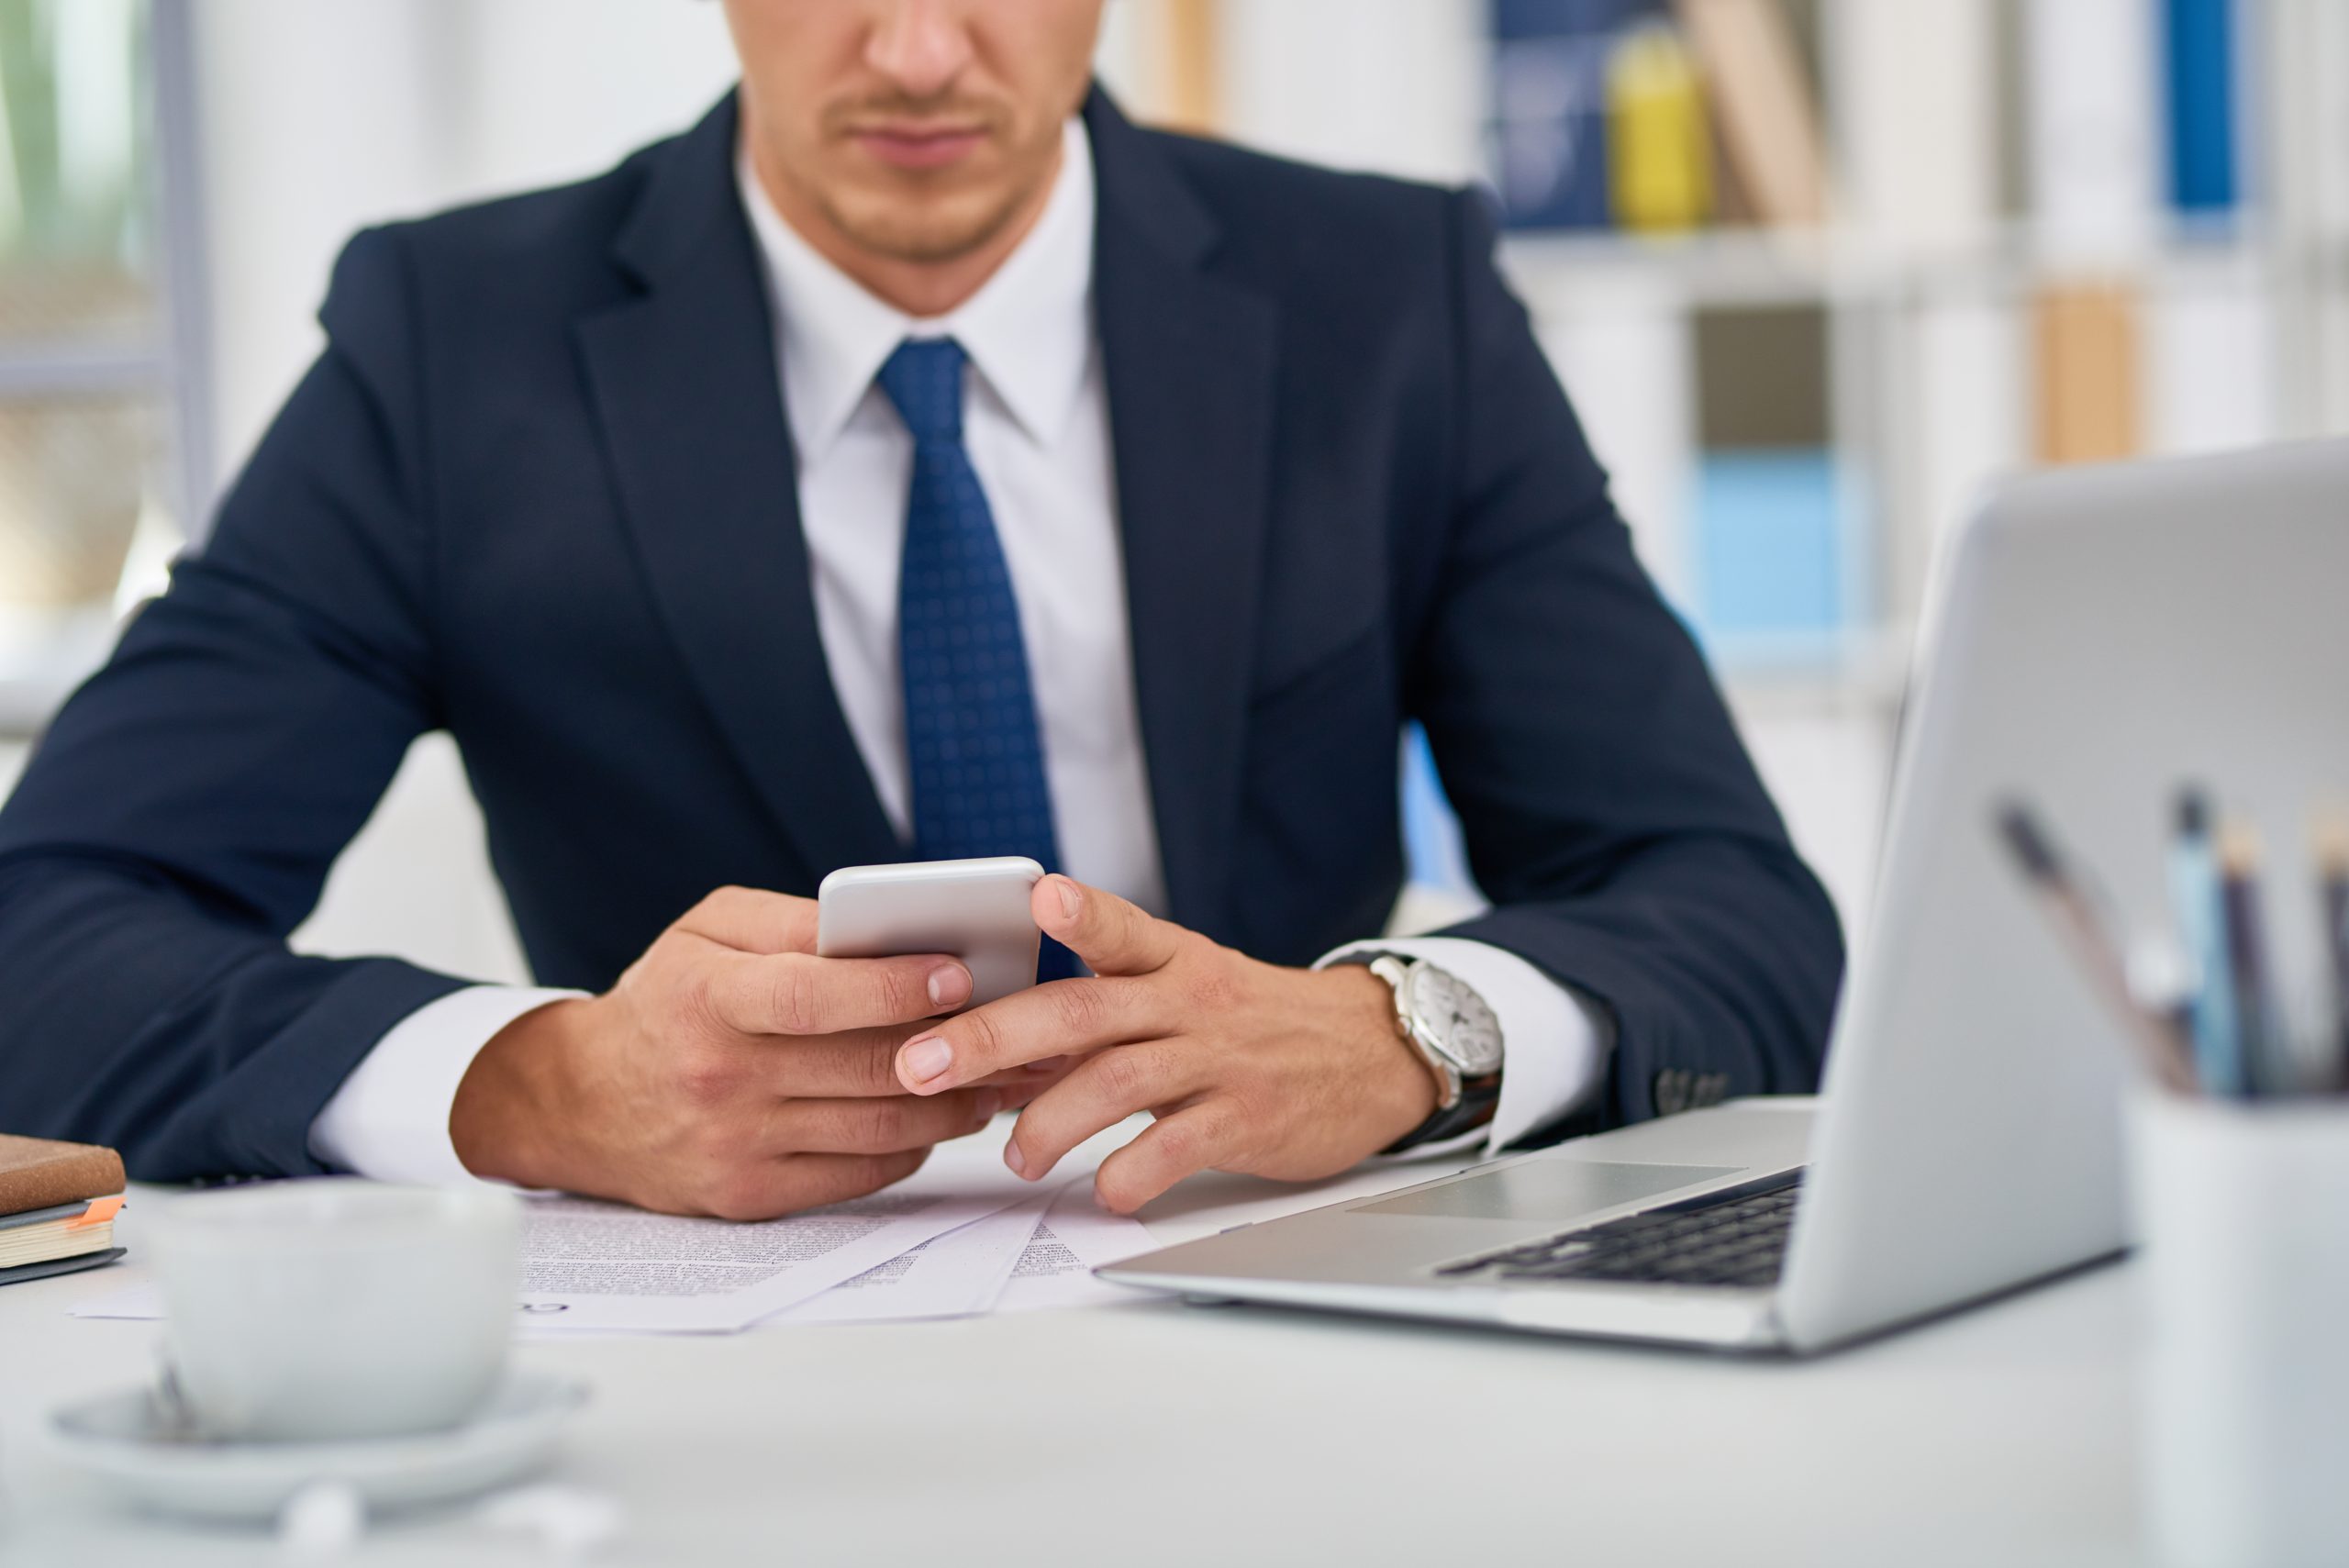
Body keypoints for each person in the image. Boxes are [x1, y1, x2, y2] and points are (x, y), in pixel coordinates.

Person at [0, 0, 1841, 1219]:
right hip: (718, 1410)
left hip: (1291, 1330)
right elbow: (47, 929)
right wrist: (537, 1085)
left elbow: (1731, 907)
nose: (912, 49)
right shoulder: (451, 344)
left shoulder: (1385, 297)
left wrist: (1401, 1035)